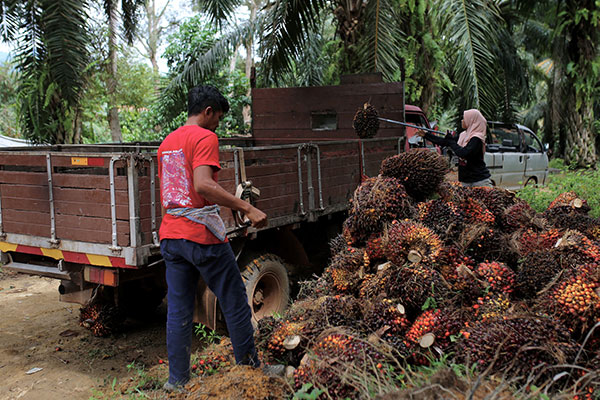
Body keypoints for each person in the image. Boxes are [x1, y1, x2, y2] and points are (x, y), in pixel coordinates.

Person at [157, 85, 273, 392]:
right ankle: (250, 369)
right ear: (208, 111)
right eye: (218, 117)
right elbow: (203, 185)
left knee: (179, 308)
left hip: (171, 234)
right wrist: (247, 208)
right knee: (234, 298)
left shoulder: (167, 141)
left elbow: (180, 191)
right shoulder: (205, 137)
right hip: (200, 237)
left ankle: (177, 382)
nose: (218, 124)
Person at [418, 109, 492, 187]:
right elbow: (445, 142)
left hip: (479, 181)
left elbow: (463, 153)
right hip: (465, 181)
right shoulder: (463, 135)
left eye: (464, 118)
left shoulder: (477, 138)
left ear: (471, 121)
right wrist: (426, 135)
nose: (462, 121)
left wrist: (450, 141)